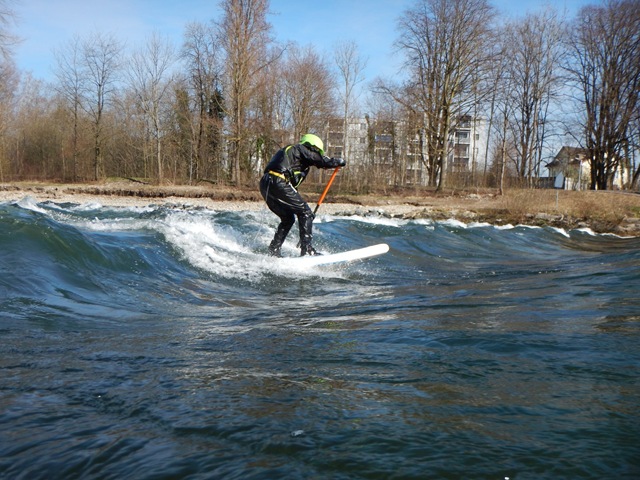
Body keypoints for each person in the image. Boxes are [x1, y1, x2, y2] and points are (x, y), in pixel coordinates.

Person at [260, 133, 346, 257]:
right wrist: (336, 162)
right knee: (305, 213)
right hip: (278, 181)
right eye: (317, 151)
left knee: (288, 218)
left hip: (266, 183)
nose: (317, 154)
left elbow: (292, 188)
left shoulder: (293, 157)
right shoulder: (299, 148)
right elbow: (320, 160)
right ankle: (307, 250)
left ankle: (273, 250)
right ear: (311, 147)